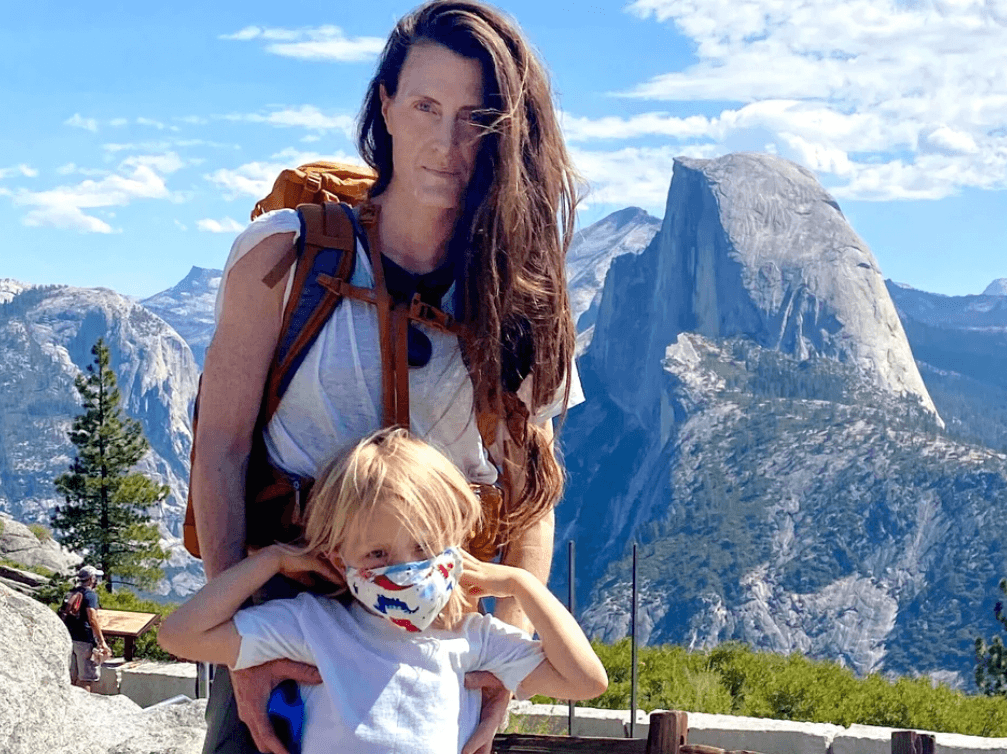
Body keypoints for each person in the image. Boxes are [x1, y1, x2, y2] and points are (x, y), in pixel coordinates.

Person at [190, 2, 582, 753]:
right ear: (387, 109)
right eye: (427, 106)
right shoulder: (282, 256)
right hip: (293, 619)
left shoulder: (524, 293)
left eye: (476, 118)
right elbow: (222, 450)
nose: (447, 142)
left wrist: (502, 654)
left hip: (436, 636)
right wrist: (244, 645)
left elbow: (530, 496)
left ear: (508, 134)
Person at [161, 429, 607, 754]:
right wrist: (272, 559)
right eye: (377, 552)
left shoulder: (474, 641)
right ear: (339, 559)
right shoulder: (313, 625)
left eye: (425, 546)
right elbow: (179, 636)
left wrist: (519, 582)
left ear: (454, 547)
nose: (405, 567)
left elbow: (586, 681)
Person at [64, 565, 110, 690]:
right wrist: (101, 641)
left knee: (72, 678)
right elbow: (92, 618)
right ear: (91, 578)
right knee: (86, 679)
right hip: (85, 639)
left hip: (69, 637)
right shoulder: (90, 595)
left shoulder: (72, 592)